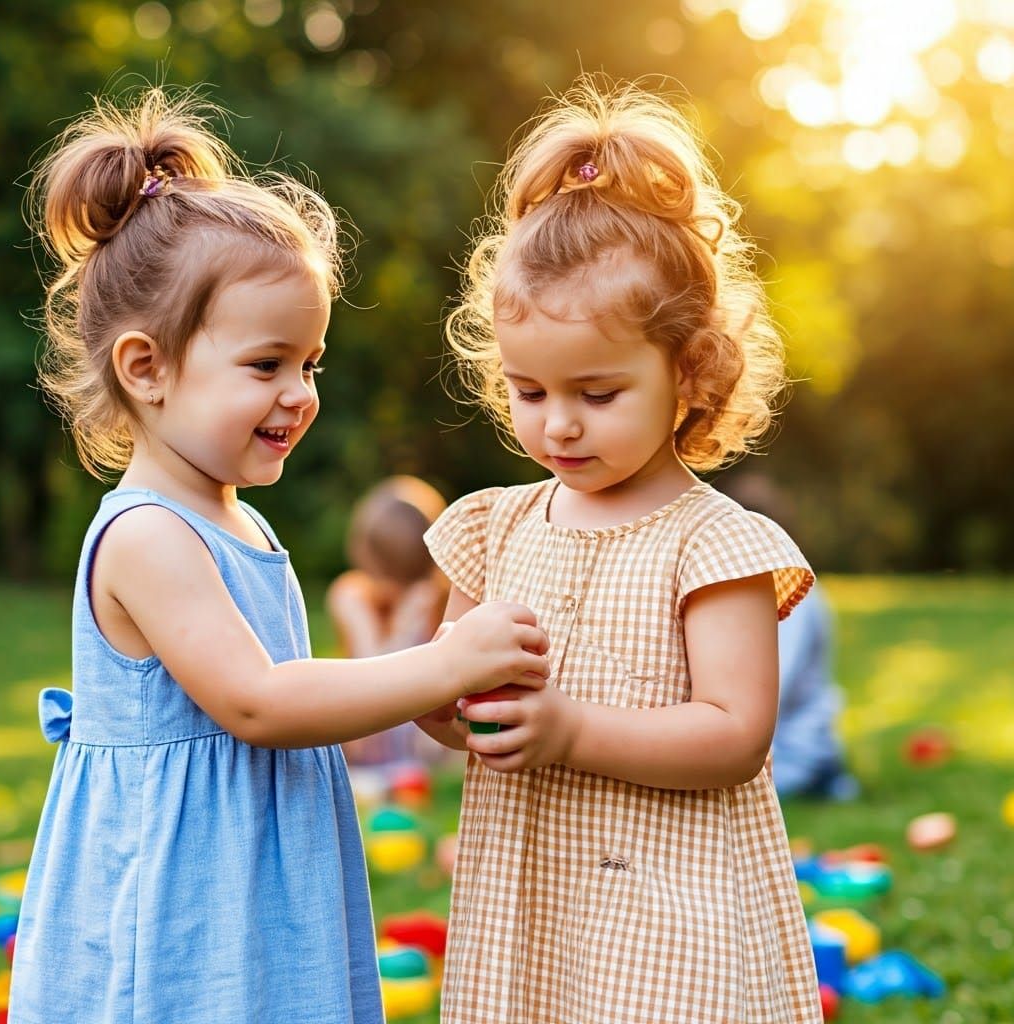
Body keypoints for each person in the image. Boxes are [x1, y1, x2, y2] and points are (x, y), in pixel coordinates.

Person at [9, 87, 550, 1024]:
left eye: (312, 362)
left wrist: (428, 701)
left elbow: (296, 688)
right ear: (147, 368)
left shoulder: (244, 525)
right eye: (266, 365)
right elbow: (258, 702)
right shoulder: (145, 534)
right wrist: (440, 662)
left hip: (253, 883)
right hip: (178, 908)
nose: (300, 393)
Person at [417, 77, 822, 1023]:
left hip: (674, 920)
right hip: (532, 906)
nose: (557, 424)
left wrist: (571, 731)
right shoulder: (494, 527)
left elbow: (733, 733)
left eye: (597, 395)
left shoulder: (716, 543)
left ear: (690, 372)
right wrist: (444, 706)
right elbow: (448, 698)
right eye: (528, 390)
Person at [720, 472, 857, 800]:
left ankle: (826, 779)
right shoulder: (732, 597)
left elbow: (774, 685)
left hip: (797, 747)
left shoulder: (794, 597)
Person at [326, 475, 451, 765]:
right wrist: (370, 626)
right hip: (367, 725)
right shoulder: (352, 595)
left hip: (420, 737)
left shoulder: (436, 600)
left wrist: (411, 619)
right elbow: (367, 672)